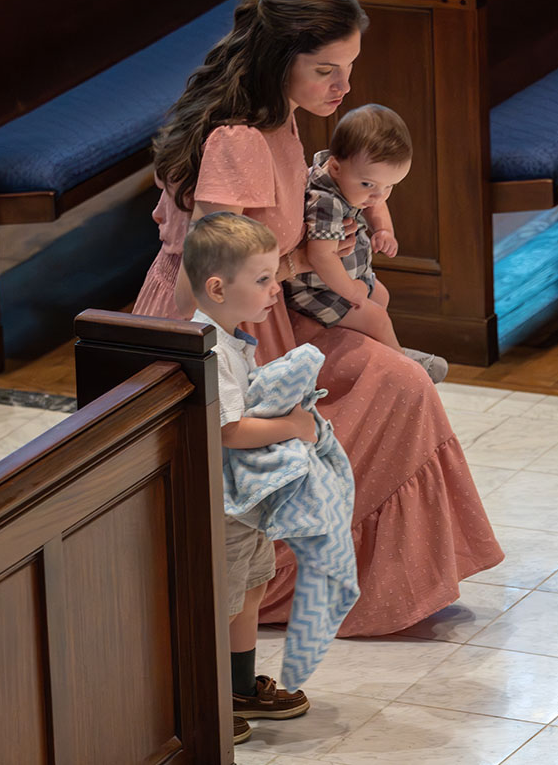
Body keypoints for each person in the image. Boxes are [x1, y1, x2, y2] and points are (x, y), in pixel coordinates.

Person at [134, 0, 503, 635]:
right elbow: (210, 277)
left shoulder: (281, 117)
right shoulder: (239, 141)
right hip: (224, 333)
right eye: (327, 69)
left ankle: (382, 578)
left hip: (270, 312)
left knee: (402, 384)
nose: (344, 86)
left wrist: (327, 259)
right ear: (281, 58)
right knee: (382, 393)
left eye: (349, 68)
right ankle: (286, 581)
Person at [183, 212, 314, 745]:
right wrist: (293, 426)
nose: (275, 288)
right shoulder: (211, 349)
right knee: (225, 598)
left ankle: (239, 687)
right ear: (218, 288)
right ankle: (208, 698)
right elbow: (229, 429)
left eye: (274, 276)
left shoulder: (231, 338)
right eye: (262, 279)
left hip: (243, 504)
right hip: (223, 505)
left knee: (253, 585)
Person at [285, 103, 448, 381]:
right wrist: (351, 292)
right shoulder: (325, 202)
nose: (378, 195)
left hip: (345, 280)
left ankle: (380, 353)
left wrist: (383, 230)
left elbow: (376, 203)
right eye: (369, 185)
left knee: (381, 296)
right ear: (335, 167)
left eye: (389, 186)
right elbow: (320, 256)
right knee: (376, 317)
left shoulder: (355, 180)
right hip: (316, 291)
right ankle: (405, 369)